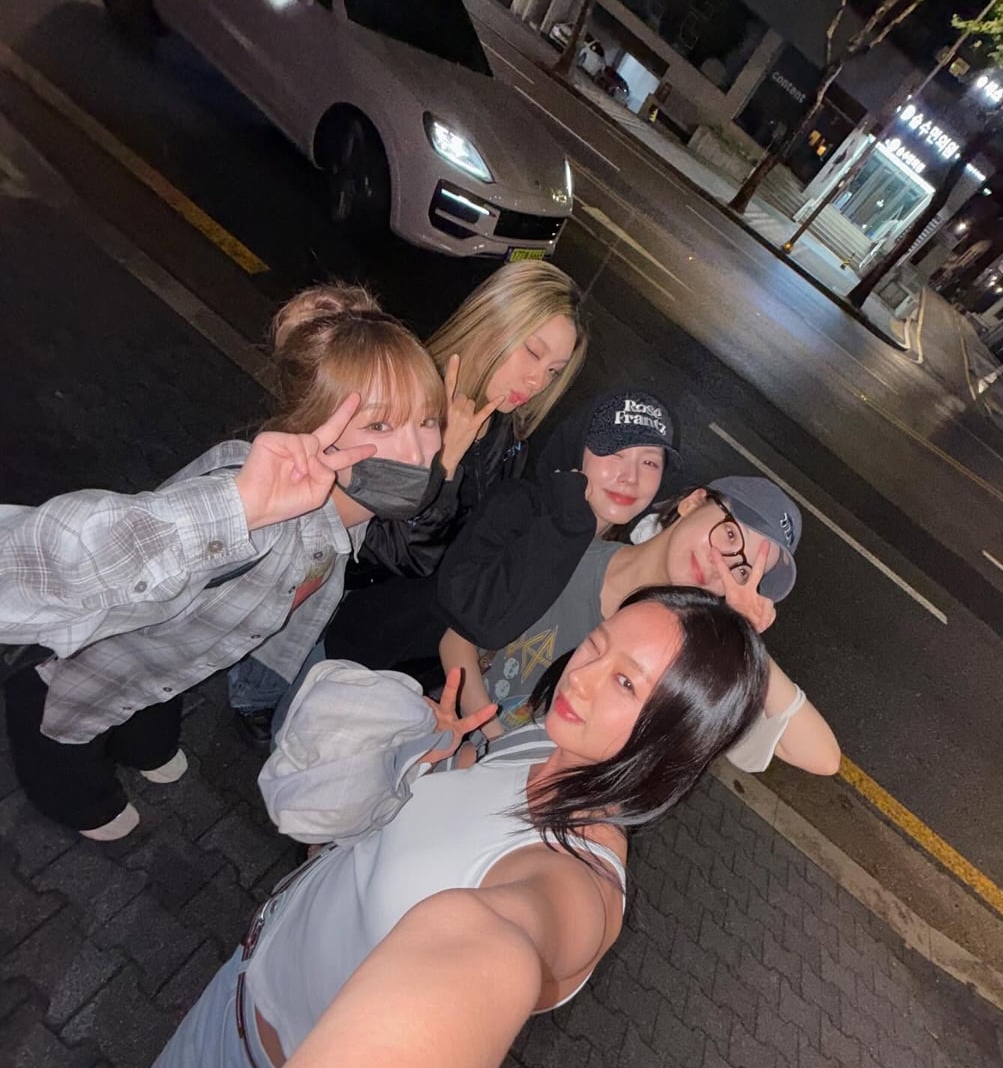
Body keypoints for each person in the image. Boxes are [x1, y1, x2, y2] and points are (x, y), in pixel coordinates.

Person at [35, 587, 769, 1068]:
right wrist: (440, 758)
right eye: (598, 646)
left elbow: (495, 946)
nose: (582, 676)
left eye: (625, 683)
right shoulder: (546, 742)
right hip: (256, 965)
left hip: (254, 1060)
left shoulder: (576, 887)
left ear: (672, 739)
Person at [0, 285, 444, 840]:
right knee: (61, 740)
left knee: (151, 722)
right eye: (380, 425)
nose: (419, 452)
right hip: (90, 663)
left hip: (169, 666)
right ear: (316, 426)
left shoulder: (350, 516)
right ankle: (76, 800)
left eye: (429, 420)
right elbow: (84, 551)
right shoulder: (256, 509)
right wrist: (234, 510)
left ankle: (139, 745)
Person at [232, 261, 588, 740]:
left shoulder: (507, 435)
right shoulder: (411, 401)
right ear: (494, 323)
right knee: (285, 731)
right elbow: (376, 550)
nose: (536, 381)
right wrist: (446, 462)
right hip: (339, 617)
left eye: (553, 371)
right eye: (532, 352)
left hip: (400, 637)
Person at [441, 476, 841, 774]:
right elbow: (457, 639)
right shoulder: (570, 553)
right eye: (729, 534)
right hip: (444, 734)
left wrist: (743, 635)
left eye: (742, 572)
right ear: (693, 502)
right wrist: (492, 737)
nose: (720, 565)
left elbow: (820, 757)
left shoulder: (682, 661)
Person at [431, 388, 683, 685]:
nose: (631, 477)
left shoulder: (618, 567)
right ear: (577, 449)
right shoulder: (517, 505)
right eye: (615, 452)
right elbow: (481, 622)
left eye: (650, 463)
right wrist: (570, 522)